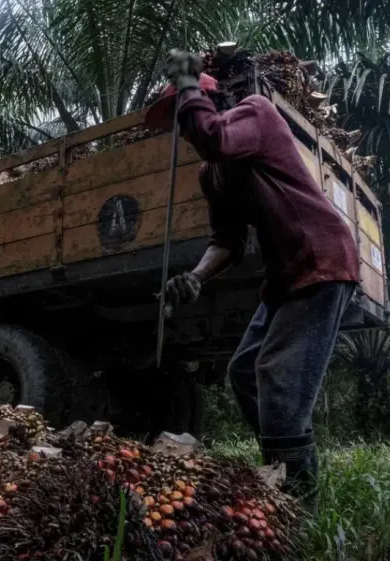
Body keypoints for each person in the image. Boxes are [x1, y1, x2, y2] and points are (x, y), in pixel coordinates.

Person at [146, 50, 359, 514]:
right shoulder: (212, 175)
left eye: (185, 113)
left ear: (207, 101)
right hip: (285, 276)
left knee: (276, 375)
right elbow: (227, 241)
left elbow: (213, 138)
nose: (183, 129)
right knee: (244, 371)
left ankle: (301, 510)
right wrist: (196, 278)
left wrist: (184, 81)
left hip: (321, 259)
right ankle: (280, 468)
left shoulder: (255, 115)